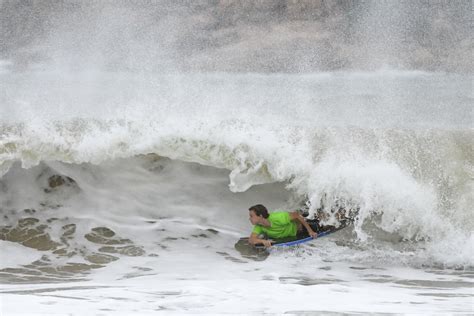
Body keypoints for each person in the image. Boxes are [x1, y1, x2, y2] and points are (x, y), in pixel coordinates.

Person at [248, 204, 318, 247]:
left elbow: (297, 215)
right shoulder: (259, 226)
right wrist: (263, 241)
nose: (249, 219)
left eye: (251, 216)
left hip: (302, 226)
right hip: (292, 233)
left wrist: (310, 231)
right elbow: (251, 239)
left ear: (260, 216)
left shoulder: (278, 217)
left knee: (322, 225)